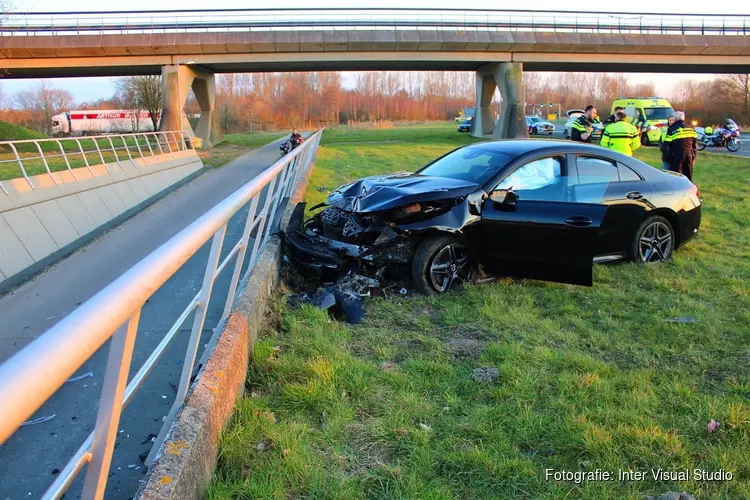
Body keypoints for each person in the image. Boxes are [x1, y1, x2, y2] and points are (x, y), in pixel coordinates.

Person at [664, 111, 698, 181]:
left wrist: (667, 159)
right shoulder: (691, 128)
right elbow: (695, 145)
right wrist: (693, 157)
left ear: (675, 119)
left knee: (677, 176)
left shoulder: (672, 129)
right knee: (688, 176)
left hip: (676, 155)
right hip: (689, 155)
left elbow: (666, 146)